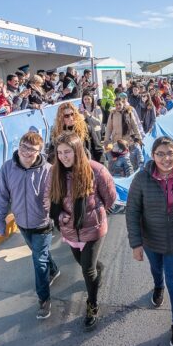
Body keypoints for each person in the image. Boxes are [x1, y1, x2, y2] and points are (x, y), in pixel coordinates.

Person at [126, 137, 173, 346]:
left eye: (170, 153)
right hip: (151, 239)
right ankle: (157, 286)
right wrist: (136, 244)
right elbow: (132, 210)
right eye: (160, 154)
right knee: (156, 268)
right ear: (153, 155)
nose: (166, 158)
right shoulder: (142, 179)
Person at [49, 132, 117, 330]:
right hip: (69, 229)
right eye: (60, 152)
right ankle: (99, 268)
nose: (63, 157)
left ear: (77, 151)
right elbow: (50, 197)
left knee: (87, 269)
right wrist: (61, 216)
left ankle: (92, 304)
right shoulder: (56, 172)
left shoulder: (96, 171)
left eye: (68, 152)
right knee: (84, 263)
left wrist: (95, 213)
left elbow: (110, 198)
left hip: (93, 228)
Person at [0, 131, 60, 319]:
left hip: (43, 224)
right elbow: (2, 197)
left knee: (38, 261)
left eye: (32, 150)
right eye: (23, 146)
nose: (26, 152)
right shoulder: (7, 168)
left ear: (39, 151)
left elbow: (55, 195)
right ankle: (54, 269)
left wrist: (52, 205)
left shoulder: (48, 170)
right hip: (22, 223)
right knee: (40, 255)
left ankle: (44, 299)